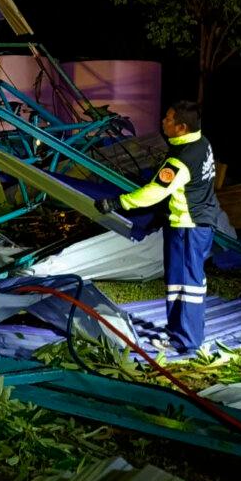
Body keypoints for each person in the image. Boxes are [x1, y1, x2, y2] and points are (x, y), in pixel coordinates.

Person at [96, 100, 222, 353]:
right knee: (189, 283)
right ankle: (186, 334)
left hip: (186, 229)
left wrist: (118, 203)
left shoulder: (181, 159)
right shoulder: (202, 143)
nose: (163, 121)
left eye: (168, 119)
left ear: (181, 127)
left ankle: (184, 341)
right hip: (201, 223)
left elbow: (154, 192)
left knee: (184, 285)